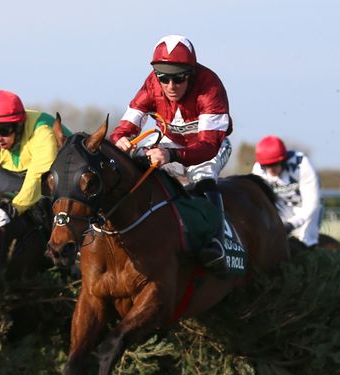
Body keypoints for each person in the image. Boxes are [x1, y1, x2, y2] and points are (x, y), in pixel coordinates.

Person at [110, 34, 233, 272]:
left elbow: (209, 146)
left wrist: (172, 156)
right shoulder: (151, 84)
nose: (170, 86)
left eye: (178, 78)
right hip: (172, 143)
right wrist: (120, 138)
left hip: (210, 147)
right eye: (163, 78)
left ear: (192, 74)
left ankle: (216, 243)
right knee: (134, 165)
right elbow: (126, 125)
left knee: (203, 176)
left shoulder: (210, 87)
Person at [0, 90, 63, 226]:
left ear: (19, 126)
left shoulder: (43, 134)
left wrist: (14, 208)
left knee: (46, 186)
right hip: (24, 180)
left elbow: (37, 179)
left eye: (4, 130)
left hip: (56, 180)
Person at [251, 135, 322, 247]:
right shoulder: (258, 170)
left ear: (284, 160)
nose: (271, 170)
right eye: (267, 166)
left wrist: (291, 225)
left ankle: (311, 247)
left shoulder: (302, 165)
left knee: (306, 240)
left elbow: (311, 204)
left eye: (274, 165)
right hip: (281, 208)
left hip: (304, 208)